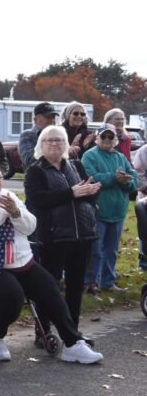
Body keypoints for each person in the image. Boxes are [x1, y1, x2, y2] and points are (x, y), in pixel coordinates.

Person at [0, 162, 102, 364]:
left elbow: (30, 225)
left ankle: (73, 343)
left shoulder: (9, 195)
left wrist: (15, 213)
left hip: (19, 259)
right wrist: (2, 210)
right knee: (12, 296)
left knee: (50, 290)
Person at [23, 125, 100, 328]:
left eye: (59, 140)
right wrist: (72, 193)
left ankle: (73, 332)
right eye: (50, 140)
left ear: (66, 144)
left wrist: (91, 192)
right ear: (41, 145)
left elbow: (88, 193)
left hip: (82, 235)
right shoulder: (35, 170)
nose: (55, 143)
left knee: (75, 288)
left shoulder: (76, 165)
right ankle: (44, 330)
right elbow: (38, 199)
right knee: (48, 287)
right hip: (53, 236)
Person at [81, 124, 137, 292]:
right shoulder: (89, 156)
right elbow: (92, 177)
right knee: (95, 251)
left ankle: (108, 282)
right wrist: (115, 178)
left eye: (110, 137)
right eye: (103, 136)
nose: (106, 140)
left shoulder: (121, 157)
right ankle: (90, 283)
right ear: (97, 138)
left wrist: (128, 181)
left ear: (115, 140)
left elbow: (134, 179)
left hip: (118, 212)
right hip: (98, 211)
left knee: (112, 250)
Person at [19, 103, 59, 170]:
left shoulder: (58, 136)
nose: (52, 120)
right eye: (48, 117)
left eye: (53, 117)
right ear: (36, 120)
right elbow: (29, 161)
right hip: (37, 179)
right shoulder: (27, 136)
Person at [135, 143, 147, 271]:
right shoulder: (144, 151)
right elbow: (138, 172)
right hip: (146, 199)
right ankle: (144, 263)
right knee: (145, 231)